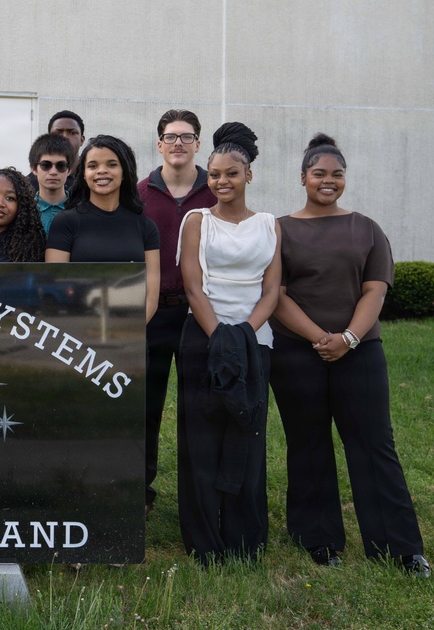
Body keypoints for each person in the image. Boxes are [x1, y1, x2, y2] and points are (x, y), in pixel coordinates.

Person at [269, 134, 429, 576]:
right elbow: (274, 294)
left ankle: (400, 547)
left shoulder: (367, 228)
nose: (328, 181)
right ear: (302, 178)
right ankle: (318, 539)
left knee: (374, 444)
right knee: (309, 444)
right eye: (319, 173)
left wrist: (349, 339)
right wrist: (322, 337)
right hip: (297, 354)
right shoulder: (279, 228)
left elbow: (375, 290)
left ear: (344, 180)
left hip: (361, 352)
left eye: (336, 174)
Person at [175, 122, 280, 565]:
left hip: (256, 341)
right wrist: (221, 336)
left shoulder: (270, 225)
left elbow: (273, 289)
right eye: (214, 174)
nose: (221, 181)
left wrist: (244, 335)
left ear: (248, 175)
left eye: (231, 173)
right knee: (201, 438)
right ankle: (204, 538)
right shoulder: (196, 220)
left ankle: (244, 535)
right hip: (203, 337)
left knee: (247, 433)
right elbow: (193, 286)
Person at [138, 109, 218, 516]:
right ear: (159, 144)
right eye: (170, 137)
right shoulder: (139, 193)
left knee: (199, 407)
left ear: (198, 144)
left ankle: (199, 495)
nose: (178, 144)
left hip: (200, 313)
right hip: (154, 312)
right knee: (146, 406)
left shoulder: (216, 190)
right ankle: (141, 490)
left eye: (186, 137)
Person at [45, 135, 160, 322]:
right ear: (83, 173)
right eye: (92, 166)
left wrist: (129, 332)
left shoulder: (146, 226)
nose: (102, 171)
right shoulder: (65, 222)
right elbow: (58, 285)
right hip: (76, 338)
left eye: (112, 164)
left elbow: (151, 297)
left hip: (132, 337)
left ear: (125, 171)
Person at [27, 133, 76, 235]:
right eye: (46, 165)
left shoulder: (81, 210)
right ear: (33, 168)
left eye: (61, 165)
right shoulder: (24, 211)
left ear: (69, 170)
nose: (53, 172)